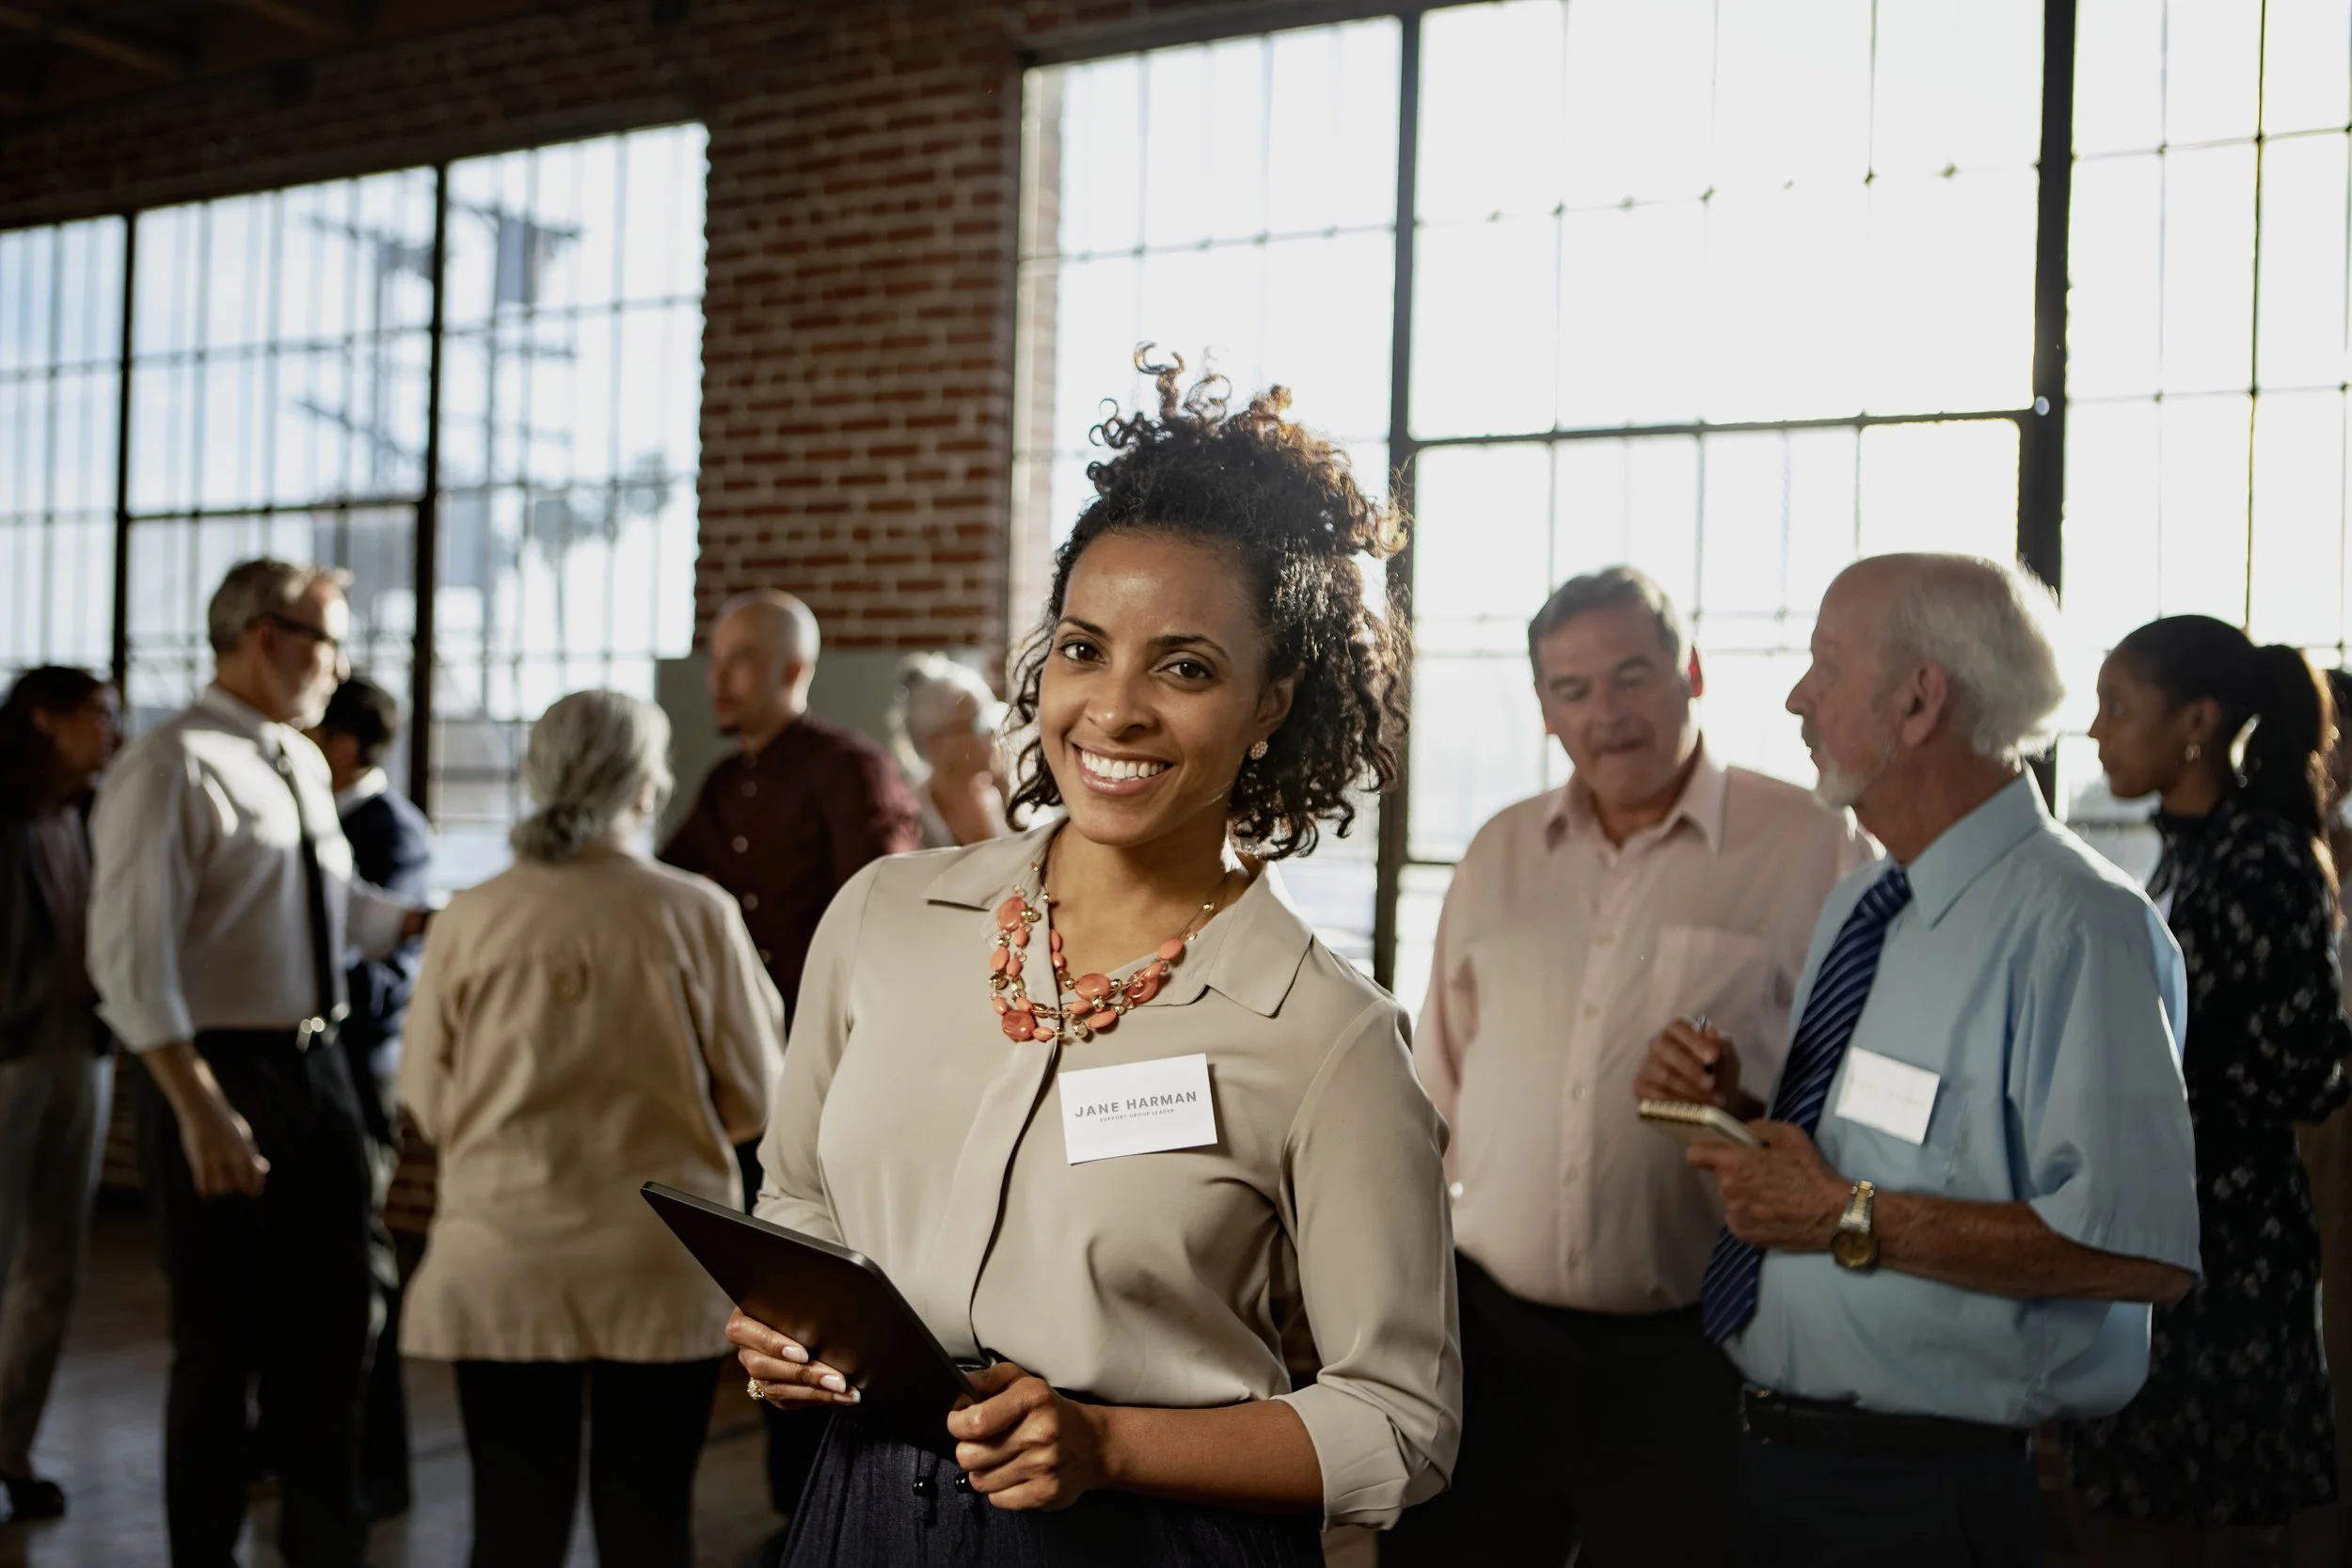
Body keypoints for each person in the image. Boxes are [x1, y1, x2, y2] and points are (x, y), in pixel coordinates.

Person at [727, 356, 1460, 1566]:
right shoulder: (883, 918)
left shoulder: (1324, 1035)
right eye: (1081, 648)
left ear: (1272, 702)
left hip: (1143, 1540)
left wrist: (1108, 1443)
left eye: (1184, 666)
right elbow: (799, 1199)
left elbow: (1404, 1425)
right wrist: (789, 1327)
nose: (1112, 711)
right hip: (856, 1512)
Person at [1636, 552, 2201, 1565]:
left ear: (1916, 698)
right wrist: (1744, 1108)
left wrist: (1839, 1213)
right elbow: (1904, 1142)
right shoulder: (1869, 901)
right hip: (1771, 1459)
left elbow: (2138, 1249)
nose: (1796, 696)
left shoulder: (2079, 928)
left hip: (1923, 1496)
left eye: (1822, 663)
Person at [1385, 568, 1870, 1568]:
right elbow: (1435, 1086)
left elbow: (1861, 1101)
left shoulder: (1814, 846)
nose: (1605, 713)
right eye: (1571, 690)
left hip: (1691, 1350)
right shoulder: (1498, 850)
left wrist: (1738, 1100)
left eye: (1631, 676)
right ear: (1544, 709)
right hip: (1489, 1336)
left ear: (1689, 672)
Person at [87, 559, 428, 1568]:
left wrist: (441, 920)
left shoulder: (291, 755)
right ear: (263, 636)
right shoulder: (170, 764)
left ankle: (327, 1542)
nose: (340, 665)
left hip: (320, 1067)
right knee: (222, 1338)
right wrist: (196, 1107)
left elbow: (336, 912)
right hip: (217, 1075)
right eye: (329, 640)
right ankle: (207, 1549)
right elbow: (129, 959)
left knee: (338, 1326)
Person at [400, 689, 784, 1568]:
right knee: (647, 1523)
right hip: (655, 1253)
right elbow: (758, 1095)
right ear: (644, 786)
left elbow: (425, 1096)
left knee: (511, 1522)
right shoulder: (693, 911)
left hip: (503, 1251)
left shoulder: (471, 915)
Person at [2061, 617, 2351, 1566]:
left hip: (2226, 1234)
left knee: (2190, 1515)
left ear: (2197, 721)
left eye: (2117, 706)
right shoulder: (2187, 854)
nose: (2097, 731)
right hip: (2174, 1213)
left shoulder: (2261, 857)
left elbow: (2308, 1066)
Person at [659, 588, 919, 1541]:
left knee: (833, 1306)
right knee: (774, 1303)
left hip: (843, 1087)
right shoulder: (727, 782)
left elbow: (891, 929)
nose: (717, 680)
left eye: (737, 661)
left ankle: (824, 1511)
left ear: (791, 671)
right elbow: (669, 894)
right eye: (715, 660)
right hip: (752, 1090)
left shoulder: (850, 770)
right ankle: (793, 1513)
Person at [306, 673, 432, 1522]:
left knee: (358, 1264)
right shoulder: (311, 813)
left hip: (360, 1066)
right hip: (314, 1065)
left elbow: (395, 971)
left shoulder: (392, 829)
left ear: (344, 746)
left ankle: (377, 1469)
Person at [0, 668, 120, 1523]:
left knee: (55, 1263)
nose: (113, 730)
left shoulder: (89, 811)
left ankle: (10, 1447)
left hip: (82, 1047)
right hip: (7, 1056)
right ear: (44, 719)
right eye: (99, 714)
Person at [887, 652, 1010, 848]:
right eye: (976, 725)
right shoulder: (908, 818)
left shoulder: (1005, 799)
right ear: (935, 743)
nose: (991, 734)